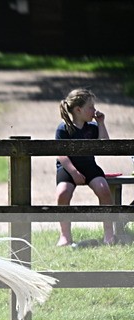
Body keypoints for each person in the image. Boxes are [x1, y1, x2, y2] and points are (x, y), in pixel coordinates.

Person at [55, 88, 114, 246]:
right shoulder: (64, 129)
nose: (94, 110)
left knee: (103, 189)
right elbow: (61, 154)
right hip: (68, 168)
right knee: (62, 193)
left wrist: (101, 123)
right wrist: (74, 173)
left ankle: (109, 233)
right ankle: (65, 235)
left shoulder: (92, 128)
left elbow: (105, 147)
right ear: (78, 110)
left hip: (89, 166)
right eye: (91, 107)